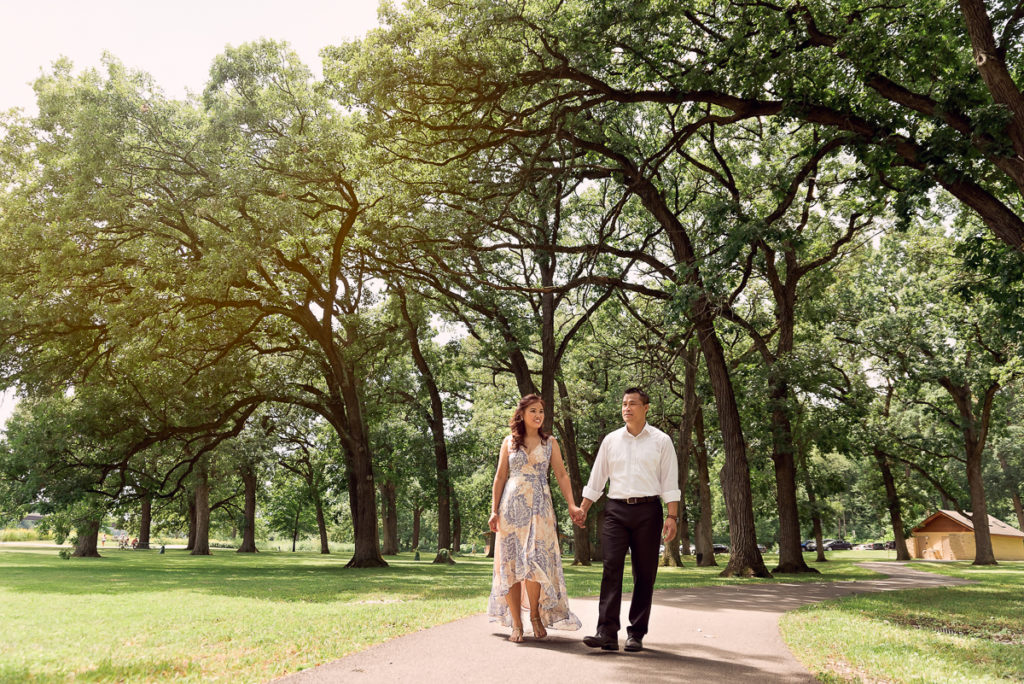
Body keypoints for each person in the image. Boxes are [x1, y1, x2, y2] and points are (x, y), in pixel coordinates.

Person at [572, 387, 679, 652]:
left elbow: (670, 481)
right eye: (623, 404)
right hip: (616, 511)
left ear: (646, 408)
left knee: (644, 573)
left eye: (632, 404)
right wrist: (584, 507)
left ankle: (636, 634)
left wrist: (672, 515)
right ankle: (606, 632)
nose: (626, 408)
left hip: (648, 511)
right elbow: (597, 477)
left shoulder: (661, 440)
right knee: (611, 569)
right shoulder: (611, 440)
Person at [488, 394, 582, 642]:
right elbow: (499, 477)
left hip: (540, 509)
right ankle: (516, 624)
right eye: (533, 411)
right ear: (521, 414)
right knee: (511, 564)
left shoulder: (551, 442)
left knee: (534, 562)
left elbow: (561, 475)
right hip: (511, 509)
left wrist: (572, 504)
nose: (538, 415)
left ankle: (535, 617)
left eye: (541, 411)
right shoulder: (509, 442)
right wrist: (494, 510)